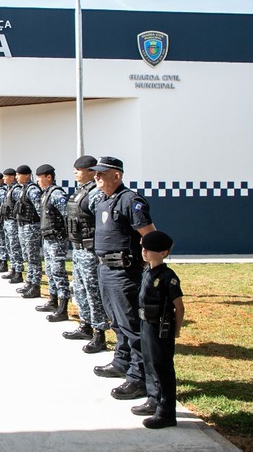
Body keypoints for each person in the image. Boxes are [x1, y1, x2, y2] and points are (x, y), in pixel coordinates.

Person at [90, 156, 156, 401]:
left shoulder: (130, 201)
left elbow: (150, 236)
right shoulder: (104, 201)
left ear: (116, 175)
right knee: (116, 322)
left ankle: (139, 378)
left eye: (101, 173)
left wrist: (153, 269)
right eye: (95, 173)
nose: (96, 177)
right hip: (105, 269)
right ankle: (121, 361)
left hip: (124, 272)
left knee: (131, 326)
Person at [134, 230, 184, 429]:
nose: (144, 252)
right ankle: (154, 400)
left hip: (160, 328)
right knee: (149, 363)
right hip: (146, 324)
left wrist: (176, 330)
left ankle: (166, 412)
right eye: (143, 248)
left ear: (163, 252)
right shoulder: (148, 271)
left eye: (149, 249)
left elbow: (179, 306)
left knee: (162, 367)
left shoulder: (167, 277)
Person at [63, 155, 108, 353]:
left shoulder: (96, 194)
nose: (75, 173)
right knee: (80, 290)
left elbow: (104, 225)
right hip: (78, 249)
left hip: (90, 251)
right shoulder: (81, 192)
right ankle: (85, 325)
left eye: (78, 169)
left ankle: (100, 334)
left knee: (92, 292)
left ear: (91, 171)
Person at [34, 164, 70, 316]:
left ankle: (63, 307)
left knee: (58, 272)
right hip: (48, 239)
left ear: (48, 177)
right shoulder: (45, 193)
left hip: (57, 239)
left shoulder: (56, 194)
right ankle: (53, 300)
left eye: (39, 178)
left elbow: (67, 216)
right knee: (49, 270)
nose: (37, 181)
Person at [13, 164, 43, 299]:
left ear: (26, 175)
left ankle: (35, 286)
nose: (16, 177)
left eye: (19, 175)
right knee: (27, 256)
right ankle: (29, 282)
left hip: (31, 227)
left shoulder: (32, 190)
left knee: (33, 257)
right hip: (23, 226)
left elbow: (40, 211)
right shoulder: (23, 189)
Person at [0, 168, 24, 284]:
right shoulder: (9, 189)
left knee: (15, 248)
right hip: (8, 222)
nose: (3, 178)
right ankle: (13, 269)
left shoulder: (16, 190)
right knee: (10, 247)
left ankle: (18, 272)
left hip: (13, 223)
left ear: (12, 177)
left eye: (5, 176)